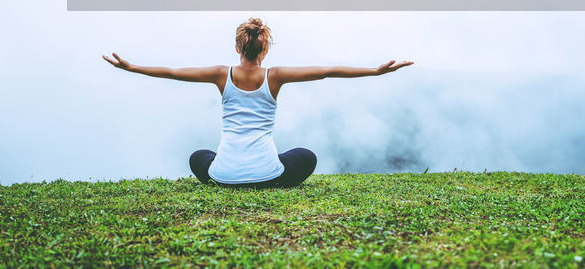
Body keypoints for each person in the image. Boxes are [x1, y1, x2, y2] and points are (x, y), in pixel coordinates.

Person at [102, 17, 414, 188]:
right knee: (305, 156)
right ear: (264, 50)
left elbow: (172, 73)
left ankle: (235, 172)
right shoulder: (274, 76)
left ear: (238, 46)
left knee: (199, 156)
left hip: (222, 176)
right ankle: (262, 170)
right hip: (270, 175)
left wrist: (131, 67)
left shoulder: (219, 75)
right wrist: (374, 71)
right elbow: (327, 71)